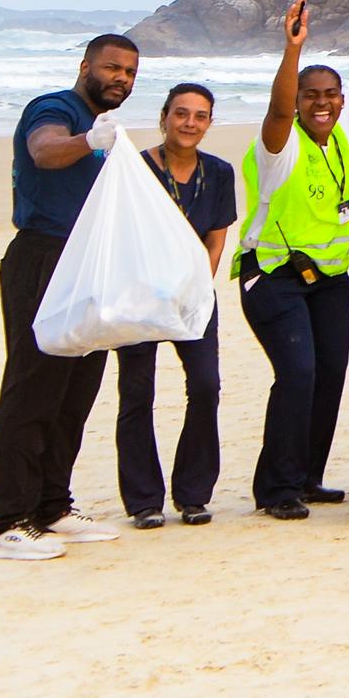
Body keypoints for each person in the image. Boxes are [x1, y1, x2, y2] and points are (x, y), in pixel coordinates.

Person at [236, 0, 349, 519]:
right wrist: (293, 50)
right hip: (274, 277)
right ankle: (276, 489)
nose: (323, 104)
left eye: (330, 95)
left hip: (330, 280)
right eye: (312, 96)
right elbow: (279, 110)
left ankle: (308, 476)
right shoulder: (280, 144)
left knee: (331, 373)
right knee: (299, 374)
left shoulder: (340, 125)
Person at [0, 32, 146, 559]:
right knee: (33, 389)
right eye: (113, 68)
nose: (121, 77)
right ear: (86, 66)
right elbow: (44, 150)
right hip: (44, 259)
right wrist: (88, 142)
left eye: (130, 72)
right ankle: (8, 520)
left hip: (88, 266)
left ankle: (52, 506)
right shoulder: (56, 109)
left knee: (76, 391)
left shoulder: (104, 127)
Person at [110, 80, 240, 527]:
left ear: (209, 123)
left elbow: (217, 240)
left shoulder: (219, 172)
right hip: (140, 296)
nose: (190, 123)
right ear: (163, 117)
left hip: (193, 296)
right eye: (181, 113)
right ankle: (144, 501)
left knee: (205, 387)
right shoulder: (133, 168)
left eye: (200, 116)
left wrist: (194, 288)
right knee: (137, 392)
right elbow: (119, 233)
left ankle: (193, 493)